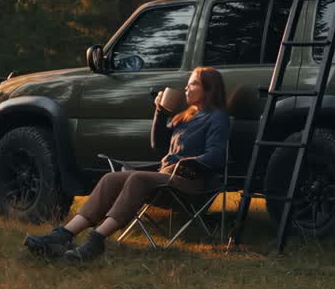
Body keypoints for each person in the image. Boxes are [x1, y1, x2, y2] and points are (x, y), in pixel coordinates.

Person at [24, 66, 230, 262]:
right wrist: (160, 112)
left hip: (190, 182)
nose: (186, 87)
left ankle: (96, 240)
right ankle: (64, 235)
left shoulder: (217, 118)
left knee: (138, 178)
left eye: (193, 84)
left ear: (209, 89)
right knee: (111, 178)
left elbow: (216, 156)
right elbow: (158, 146)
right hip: (166, 177)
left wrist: (185, 164)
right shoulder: (186, 117)